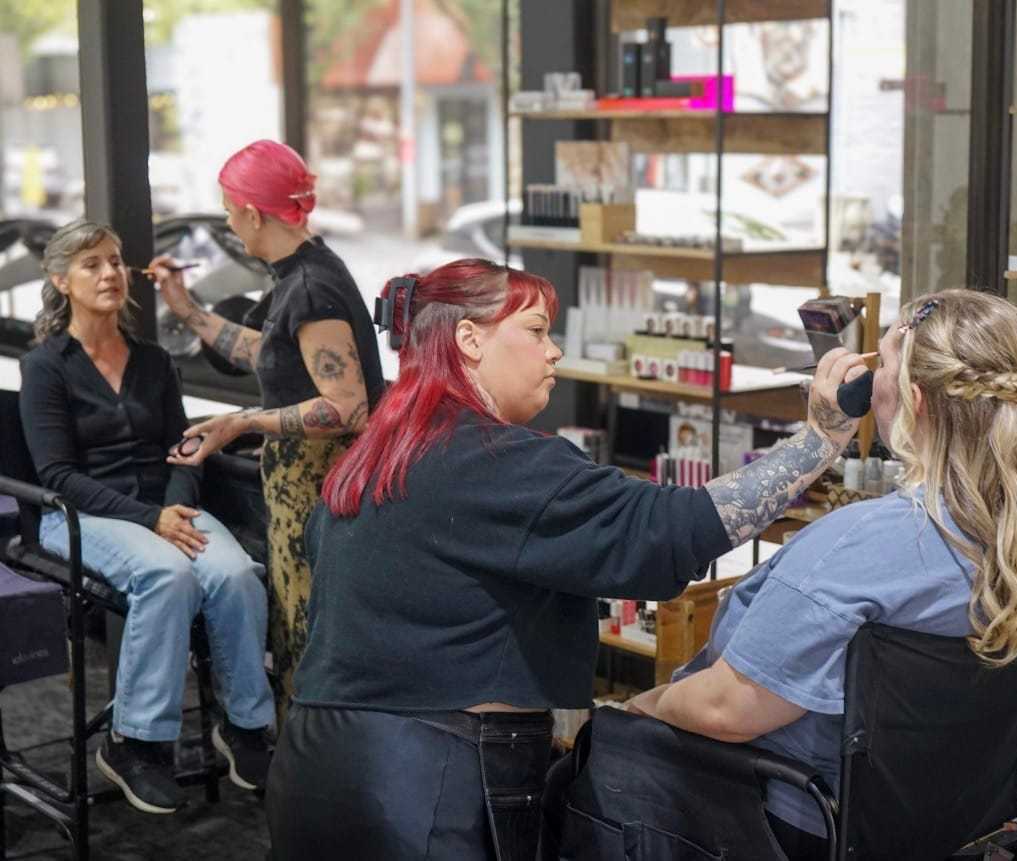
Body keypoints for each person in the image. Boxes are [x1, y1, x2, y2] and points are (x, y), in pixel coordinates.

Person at [264, 257, 870, 860]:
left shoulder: (379, 455)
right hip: (421, 788)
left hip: (315, 764)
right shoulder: (493, 461)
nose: (553, 351)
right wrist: (820, 441)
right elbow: (669, 530)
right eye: (535, 330)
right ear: (469, 339)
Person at [600, 289, 1017, 859]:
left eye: (881, 364)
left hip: (796, 823)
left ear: (914, 400)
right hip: (939, 829)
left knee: (593, 754)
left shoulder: (861, 544)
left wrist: (644, 707)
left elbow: (723, 709)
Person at [18, 221, 274, 814]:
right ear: (61, 281)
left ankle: (244, 725)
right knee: (168, 574)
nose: (109, 273)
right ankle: (135, 742)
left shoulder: (154, 361)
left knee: (237, 574)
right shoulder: (46, 366)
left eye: (114, 261)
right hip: (80, 515)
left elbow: (182, 448)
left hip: (164, 508)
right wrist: (150, 517)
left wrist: (175, 506)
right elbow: (58, 476)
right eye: (91, 265)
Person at [148, 140, 385, 716]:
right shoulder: (302, 271)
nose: (230, 223)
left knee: (311, 638)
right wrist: (187, 309)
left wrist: (243, 421)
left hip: (323, 492)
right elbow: (273, 353)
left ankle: (314, 761)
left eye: (230, 211)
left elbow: (348, 407)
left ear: (253, 214)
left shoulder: (311, 287)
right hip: (302, 489)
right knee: (297, 632)